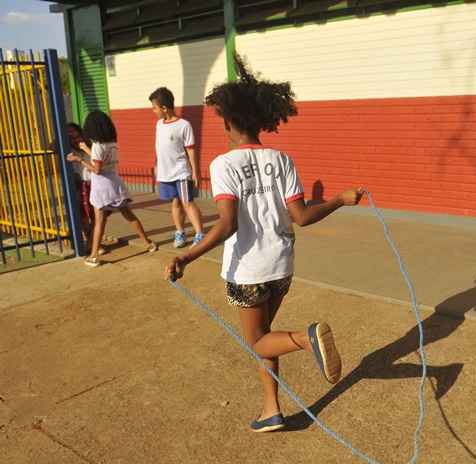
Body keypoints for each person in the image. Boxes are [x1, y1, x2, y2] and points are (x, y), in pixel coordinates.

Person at [165, 53, 363, 432]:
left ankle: (307, 339)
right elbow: (301, 217)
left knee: (258, 341)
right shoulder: (282, 159)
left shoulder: (224, 164)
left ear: (228, 121)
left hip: (249, 270)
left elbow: (225, 225)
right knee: (267, 337)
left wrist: (186, 256)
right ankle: (271, 408)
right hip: (282, 267)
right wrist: (339, 199)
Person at [70, 110, 158, 267]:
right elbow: (101, 159)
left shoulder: (97, 146)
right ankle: (148, 243)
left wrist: (79, 160)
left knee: (99, 222)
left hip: (102, 188)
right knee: (129, 215)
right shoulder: (111, 144)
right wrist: (86, 150)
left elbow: (96, 169)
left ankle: (94, 255)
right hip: (116, 184)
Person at [149, 87, 205, 248]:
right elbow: (159, 147)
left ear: (164, 108)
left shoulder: (184, 125)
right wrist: (156, 165)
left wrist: (195, 172)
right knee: (175, 203)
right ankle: (180, 232)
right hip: (165, 173)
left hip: (181, 172)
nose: (153, 111)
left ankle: (200, 233)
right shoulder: (159, 124)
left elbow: (191, 149)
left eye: (154, 107)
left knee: (187, 202)